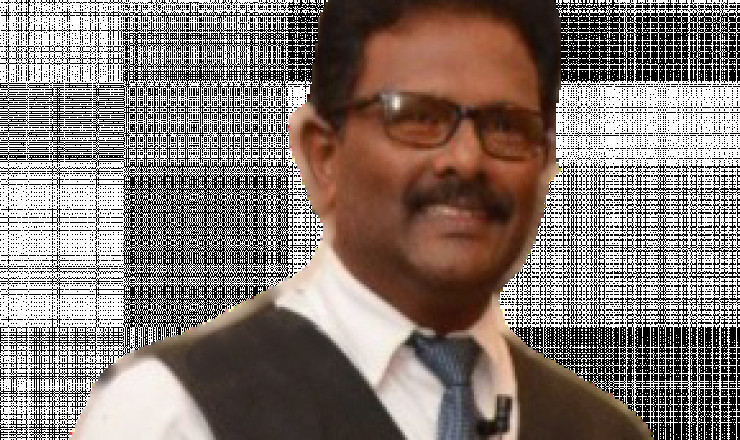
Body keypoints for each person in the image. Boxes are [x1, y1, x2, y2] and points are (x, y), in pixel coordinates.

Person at [73, 0, 652, 438]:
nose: (466, 159)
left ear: (546, 161)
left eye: (505, 126)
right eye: (418, 117)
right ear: (323, 155)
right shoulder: (178, 411)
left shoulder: (602, 430)